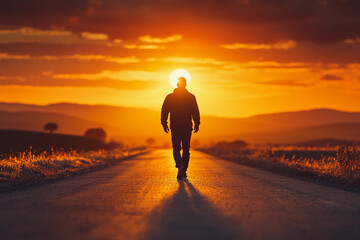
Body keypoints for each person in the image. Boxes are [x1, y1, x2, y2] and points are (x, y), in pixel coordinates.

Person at [161, 77, 200, 180]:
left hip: (175, 126)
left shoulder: (170, 97)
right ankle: (184, 169)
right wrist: (197, 123)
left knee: (176, 148)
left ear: (177, 84)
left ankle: (180, 167)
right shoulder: (191, 97)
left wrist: (164, 123)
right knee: (186, 149)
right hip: (187, 126)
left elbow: (164, 111)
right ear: (186, 84)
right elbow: (195, 111)